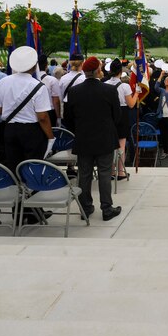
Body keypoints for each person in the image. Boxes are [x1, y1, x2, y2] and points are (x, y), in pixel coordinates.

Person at [67, 56, 122, 221]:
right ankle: (106, 208)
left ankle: (86, 208)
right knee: (105, 174)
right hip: (104, 138)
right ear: (98, 71)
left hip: (83, 139)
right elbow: (117, 116)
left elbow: (68, 119)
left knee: (84, 174)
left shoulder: (74, 92)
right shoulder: (109, 90)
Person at [0, 46, 54, 172]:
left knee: (14, 166)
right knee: (33, 167)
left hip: (10, 129)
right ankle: (33, 191)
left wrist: (11, 108)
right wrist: (51, 137)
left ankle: (19, 190)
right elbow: (42, 117)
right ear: (33, 65)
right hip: (31, 130)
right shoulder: (38, 86)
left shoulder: (3, 81)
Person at [105, 58, 139, 180]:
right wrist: (136, 94)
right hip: (122, 114)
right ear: (120, 71)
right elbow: (131, 104)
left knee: (110, 145)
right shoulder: (124, 86)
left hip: (108, 115)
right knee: (121, 146)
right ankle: (121, 171)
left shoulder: (105, 84)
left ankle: (112, 171)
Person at [37, 54, 62, 127]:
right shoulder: (52, 80)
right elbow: (56, 101)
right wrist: (58, 117)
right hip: (49, 112)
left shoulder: (31, 80)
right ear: (46, 65)